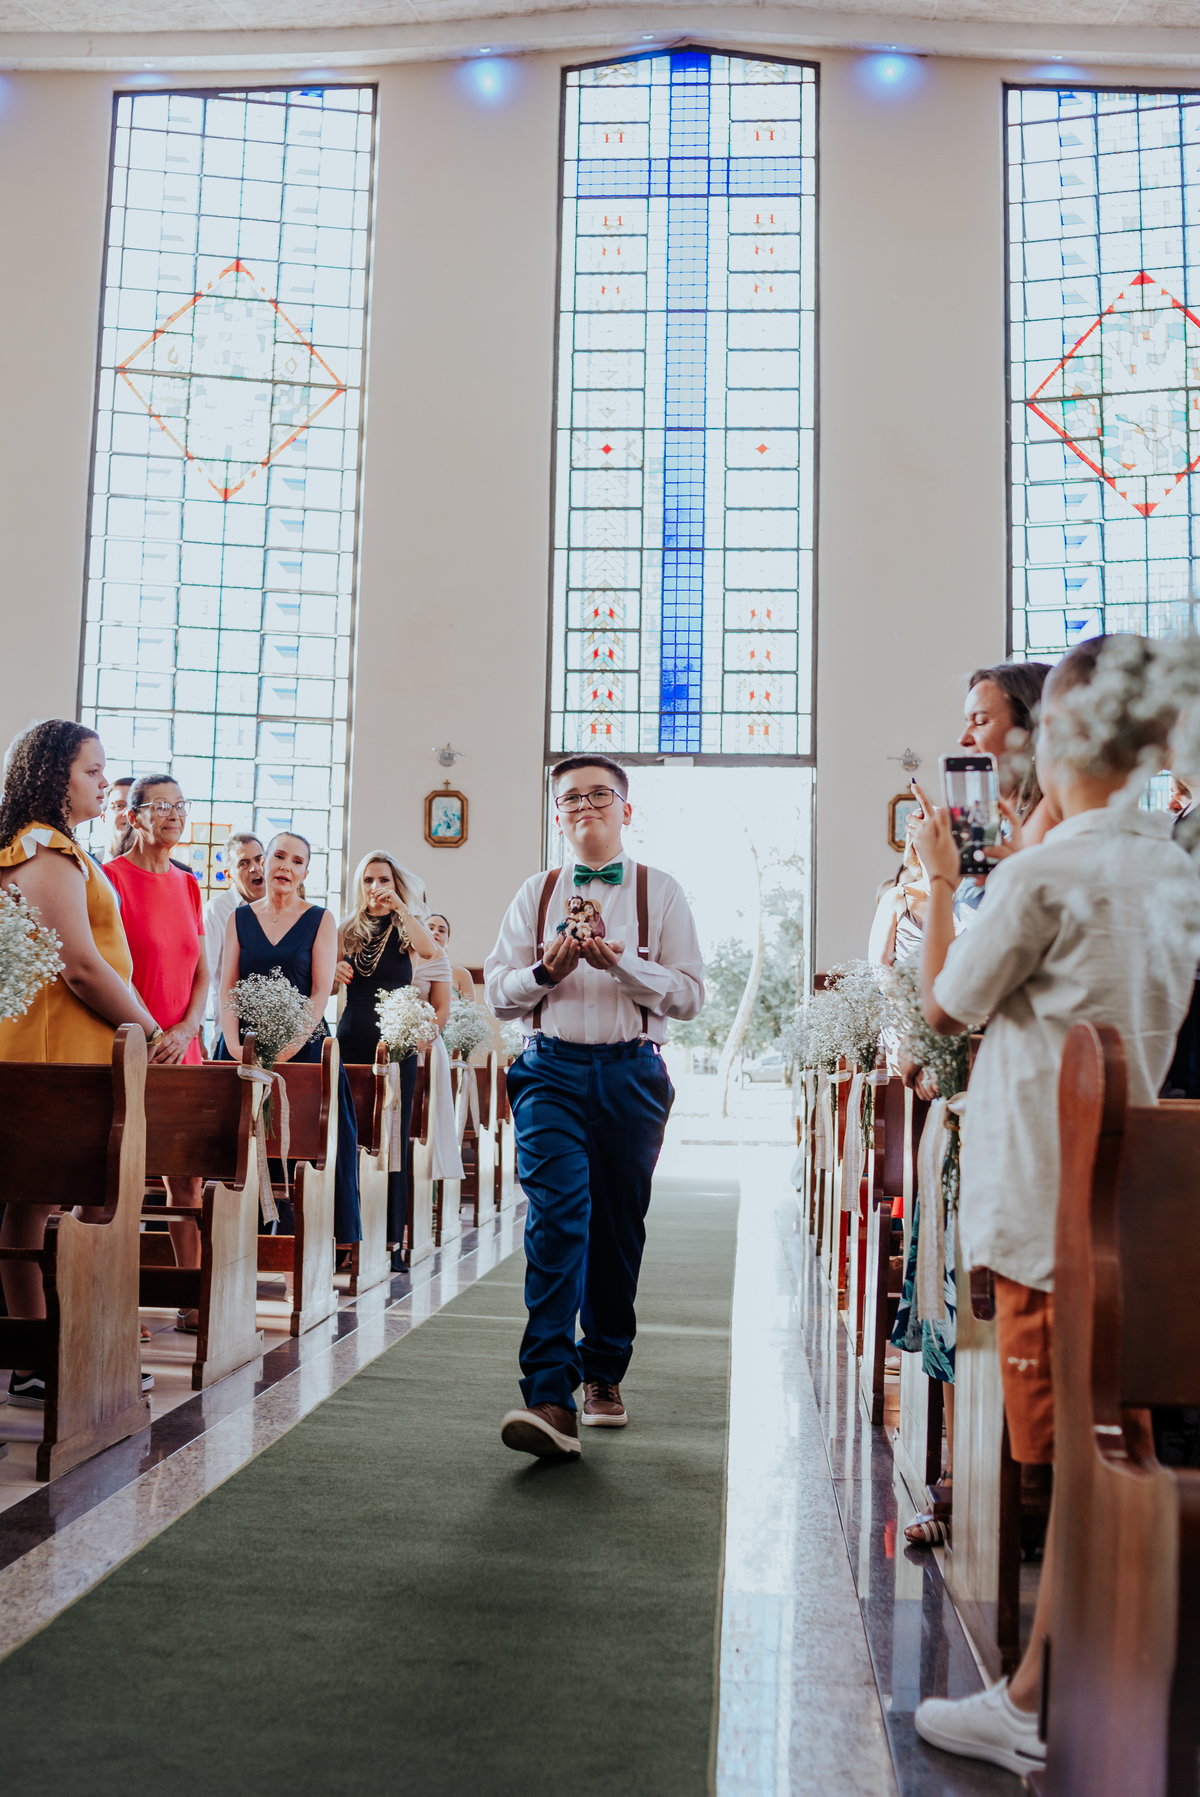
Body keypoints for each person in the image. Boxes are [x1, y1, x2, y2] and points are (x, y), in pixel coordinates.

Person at [910, 637, 1200, 1776]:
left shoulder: (1043, 872)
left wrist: (941, 880)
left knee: (1069, 1462)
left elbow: (946, 1008)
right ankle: (1095, 1678)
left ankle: (1034, 1700)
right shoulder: (1174, 868)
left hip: (1042, 1201)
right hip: (1135, 1202)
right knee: (1108, 1441)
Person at [484, 753, 704, 1461]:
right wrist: (548, 968)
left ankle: (604, 1370)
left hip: (632, 1074)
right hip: (549, 1070)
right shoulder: (535, 891)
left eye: (599, 795)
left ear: (625, 808)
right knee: (557, 1216)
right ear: (558, 815)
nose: (585, 808)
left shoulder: (659, 891)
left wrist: (619, 963)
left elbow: (691, 996)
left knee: (616, 1227)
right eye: (571, 799)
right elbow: (497, 991)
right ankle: (548, 1393)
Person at [0, 720, 162, 1408]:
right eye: (93, 771)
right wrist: (146, 1025)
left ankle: (59, 1342)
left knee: (44, 1200)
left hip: (79, 1045)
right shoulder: (41, 848)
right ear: (53, 777)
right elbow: (79, 964)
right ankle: (43, 1348)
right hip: (59, 1047)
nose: (105, 782)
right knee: (44, 1198)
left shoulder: (58, 847)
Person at [217, 831, 361, 1247]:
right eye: (278, 856)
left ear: (304, 873)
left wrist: (287, 1048)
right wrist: (232, 1045)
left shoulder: (321, 919)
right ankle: (235, 1240)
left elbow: (319, 992)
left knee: (304, 1146)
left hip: (305, 1049)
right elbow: (227, 988)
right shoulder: (238, 918)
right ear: (264, 863)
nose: (285, 866)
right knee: (233, 1145)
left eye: (297, 861)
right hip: (242, 1046)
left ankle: (312, 1242)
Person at [104, 773, 208, 1325]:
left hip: (180, 1047)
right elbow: (109, 969)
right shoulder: (110, 880)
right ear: (133, 815)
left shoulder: (189, 884)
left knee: (185, 1176)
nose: (174, 813)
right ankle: (111, 1299)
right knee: (120, 1173)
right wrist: (149, 1032)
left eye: (180, 804)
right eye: (161, 805)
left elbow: (203, 971)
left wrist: (188, 1029)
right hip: (132, 1044)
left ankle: (190, 1300)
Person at [333, 852, 438, 1263]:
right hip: (353, 1030)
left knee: (393, 1136)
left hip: (397, 1036)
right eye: (369, 879)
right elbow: (324, 988)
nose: (376, 887)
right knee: (349, 1135)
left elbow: (429, 949)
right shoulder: (346, 929)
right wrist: (335, 971)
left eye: (384, 879)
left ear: (395, 884)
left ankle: (394, 1239)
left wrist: (399, 908)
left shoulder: (406, 927)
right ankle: (346, 1237)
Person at [204, 833, 266, 1025]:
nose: (255, 868)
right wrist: (195, 1029)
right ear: (228, 875)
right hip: (231, 1027)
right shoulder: (216, 910)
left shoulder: (284, 908)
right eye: (243, 863)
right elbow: (204, 974)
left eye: (259, 859)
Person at [425, 913, 475, 1002]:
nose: (435, 932)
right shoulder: (410, 970)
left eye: (441, 931)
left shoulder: (461, 974)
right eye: (430, 928)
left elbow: (471, 1012)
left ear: (447, 941)